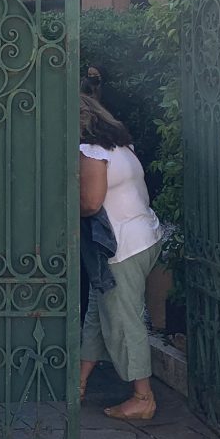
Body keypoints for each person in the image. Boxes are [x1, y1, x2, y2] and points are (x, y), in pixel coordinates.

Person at [78, 94, 164, 421]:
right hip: (144, 236)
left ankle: (143, 397)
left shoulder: (92, 152)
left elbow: (90, 203)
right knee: (98, 314)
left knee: (125, 322)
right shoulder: (121, 147)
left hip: (121, 248)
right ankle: (79, 382)